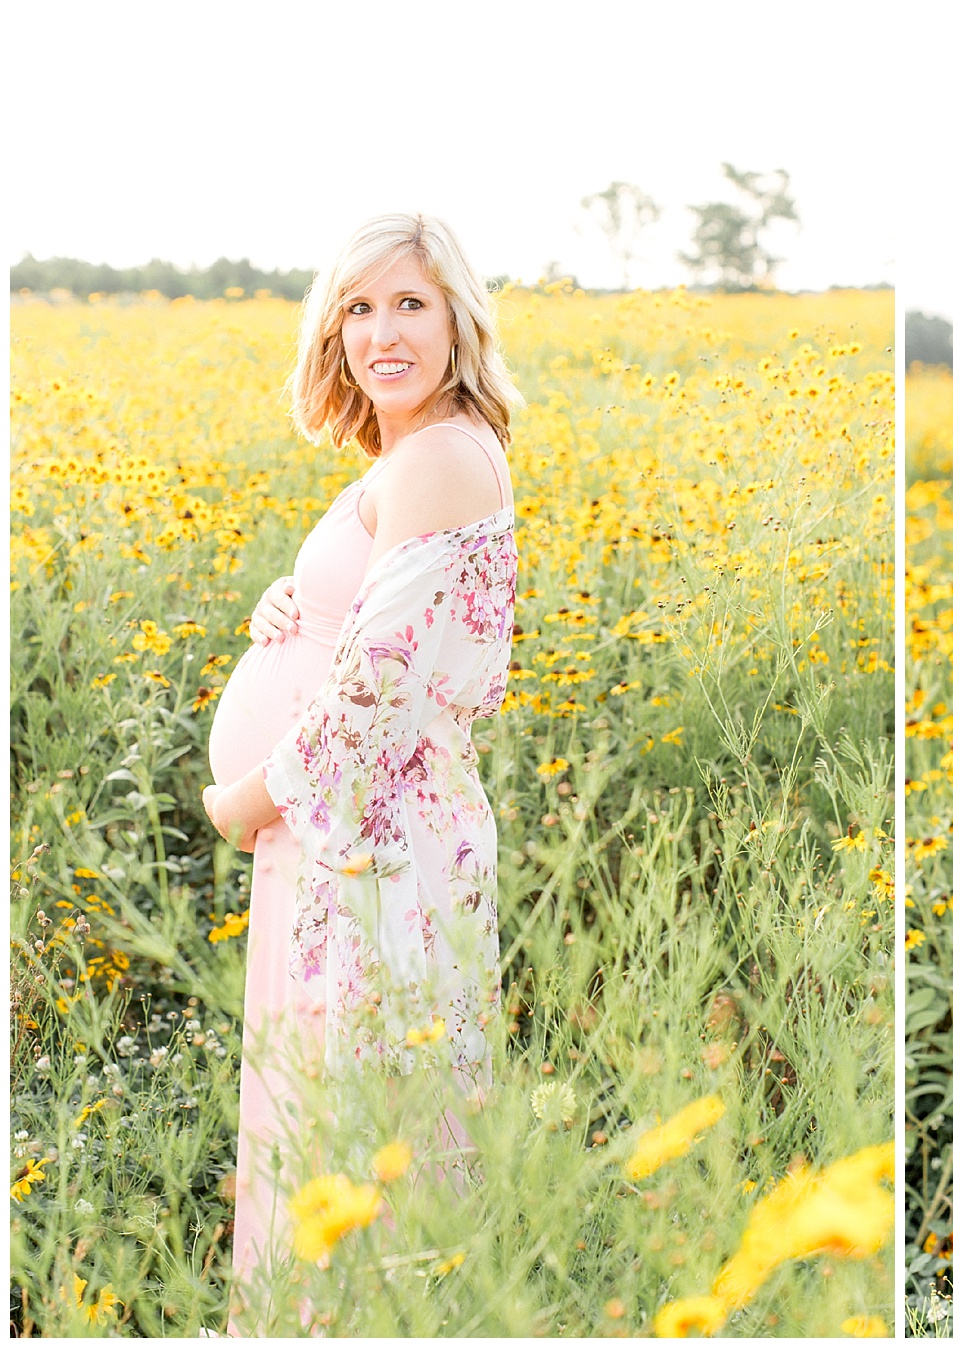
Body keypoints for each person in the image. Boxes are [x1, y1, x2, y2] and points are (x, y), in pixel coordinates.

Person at [202, 213, 520, 1333]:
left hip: (373, 846)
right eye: (359, 308)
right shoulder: (419, 450)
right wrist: (288, 612)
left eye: (410, 304)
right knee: (350, 1125)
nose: (382, 332)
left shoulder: (437, 457)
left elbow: (374, 698)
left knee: (367, 1135)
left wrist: (243, 801)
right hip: (353, 832)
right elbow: (369, 630)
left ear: (457, 319)